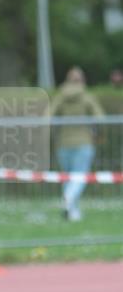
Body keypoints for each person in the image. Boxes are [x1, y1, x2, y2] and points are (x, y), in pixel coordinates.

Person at [51, 67, 104, 222]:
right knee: (80, 176)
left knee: (68, 177)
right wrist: (97, 132)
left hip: (63, 143)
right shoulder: (87, 97)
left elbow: (49, 115)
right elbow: (100, 118)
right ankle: (68, 198)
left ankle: (72, 212)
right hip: (83, 142)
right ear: (82, 80)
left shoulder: (60, 97)